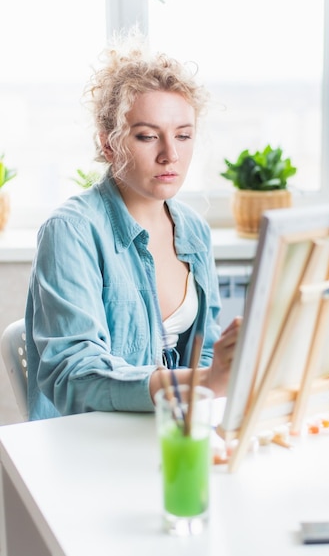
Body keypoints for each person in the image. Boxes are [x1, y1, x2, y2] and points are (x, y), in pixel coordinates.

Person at [25, 29, 242, 420]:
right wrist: (204, 383)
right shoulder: (71, 231)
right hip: (92, 440)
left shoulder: (194, 230)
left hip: (169, 430)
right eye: (147, 136)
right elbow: (74, 375)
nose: (170, 154)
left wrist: (225, 367)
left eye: (184, 135)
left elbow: (204, 350)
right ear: (109, 145)